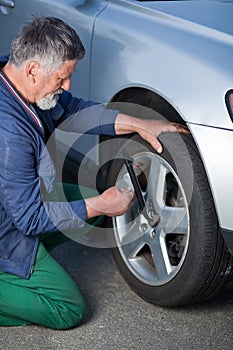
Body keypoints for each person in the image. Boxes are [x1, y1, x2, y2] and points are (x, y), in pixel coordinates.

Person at [0, 16, 189, 329]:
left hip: (15, 206)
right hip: (9, 231)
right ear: (33, 69)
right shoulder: (9, 133)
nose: (67, 86)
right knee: (67, 309)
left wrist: (140, 123)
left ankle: (36, 258)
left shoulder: (14, 76)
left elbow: (76, 110)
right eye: (61, 79)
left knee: (89, 200)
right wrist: (102, 203)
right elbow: (29, 218)